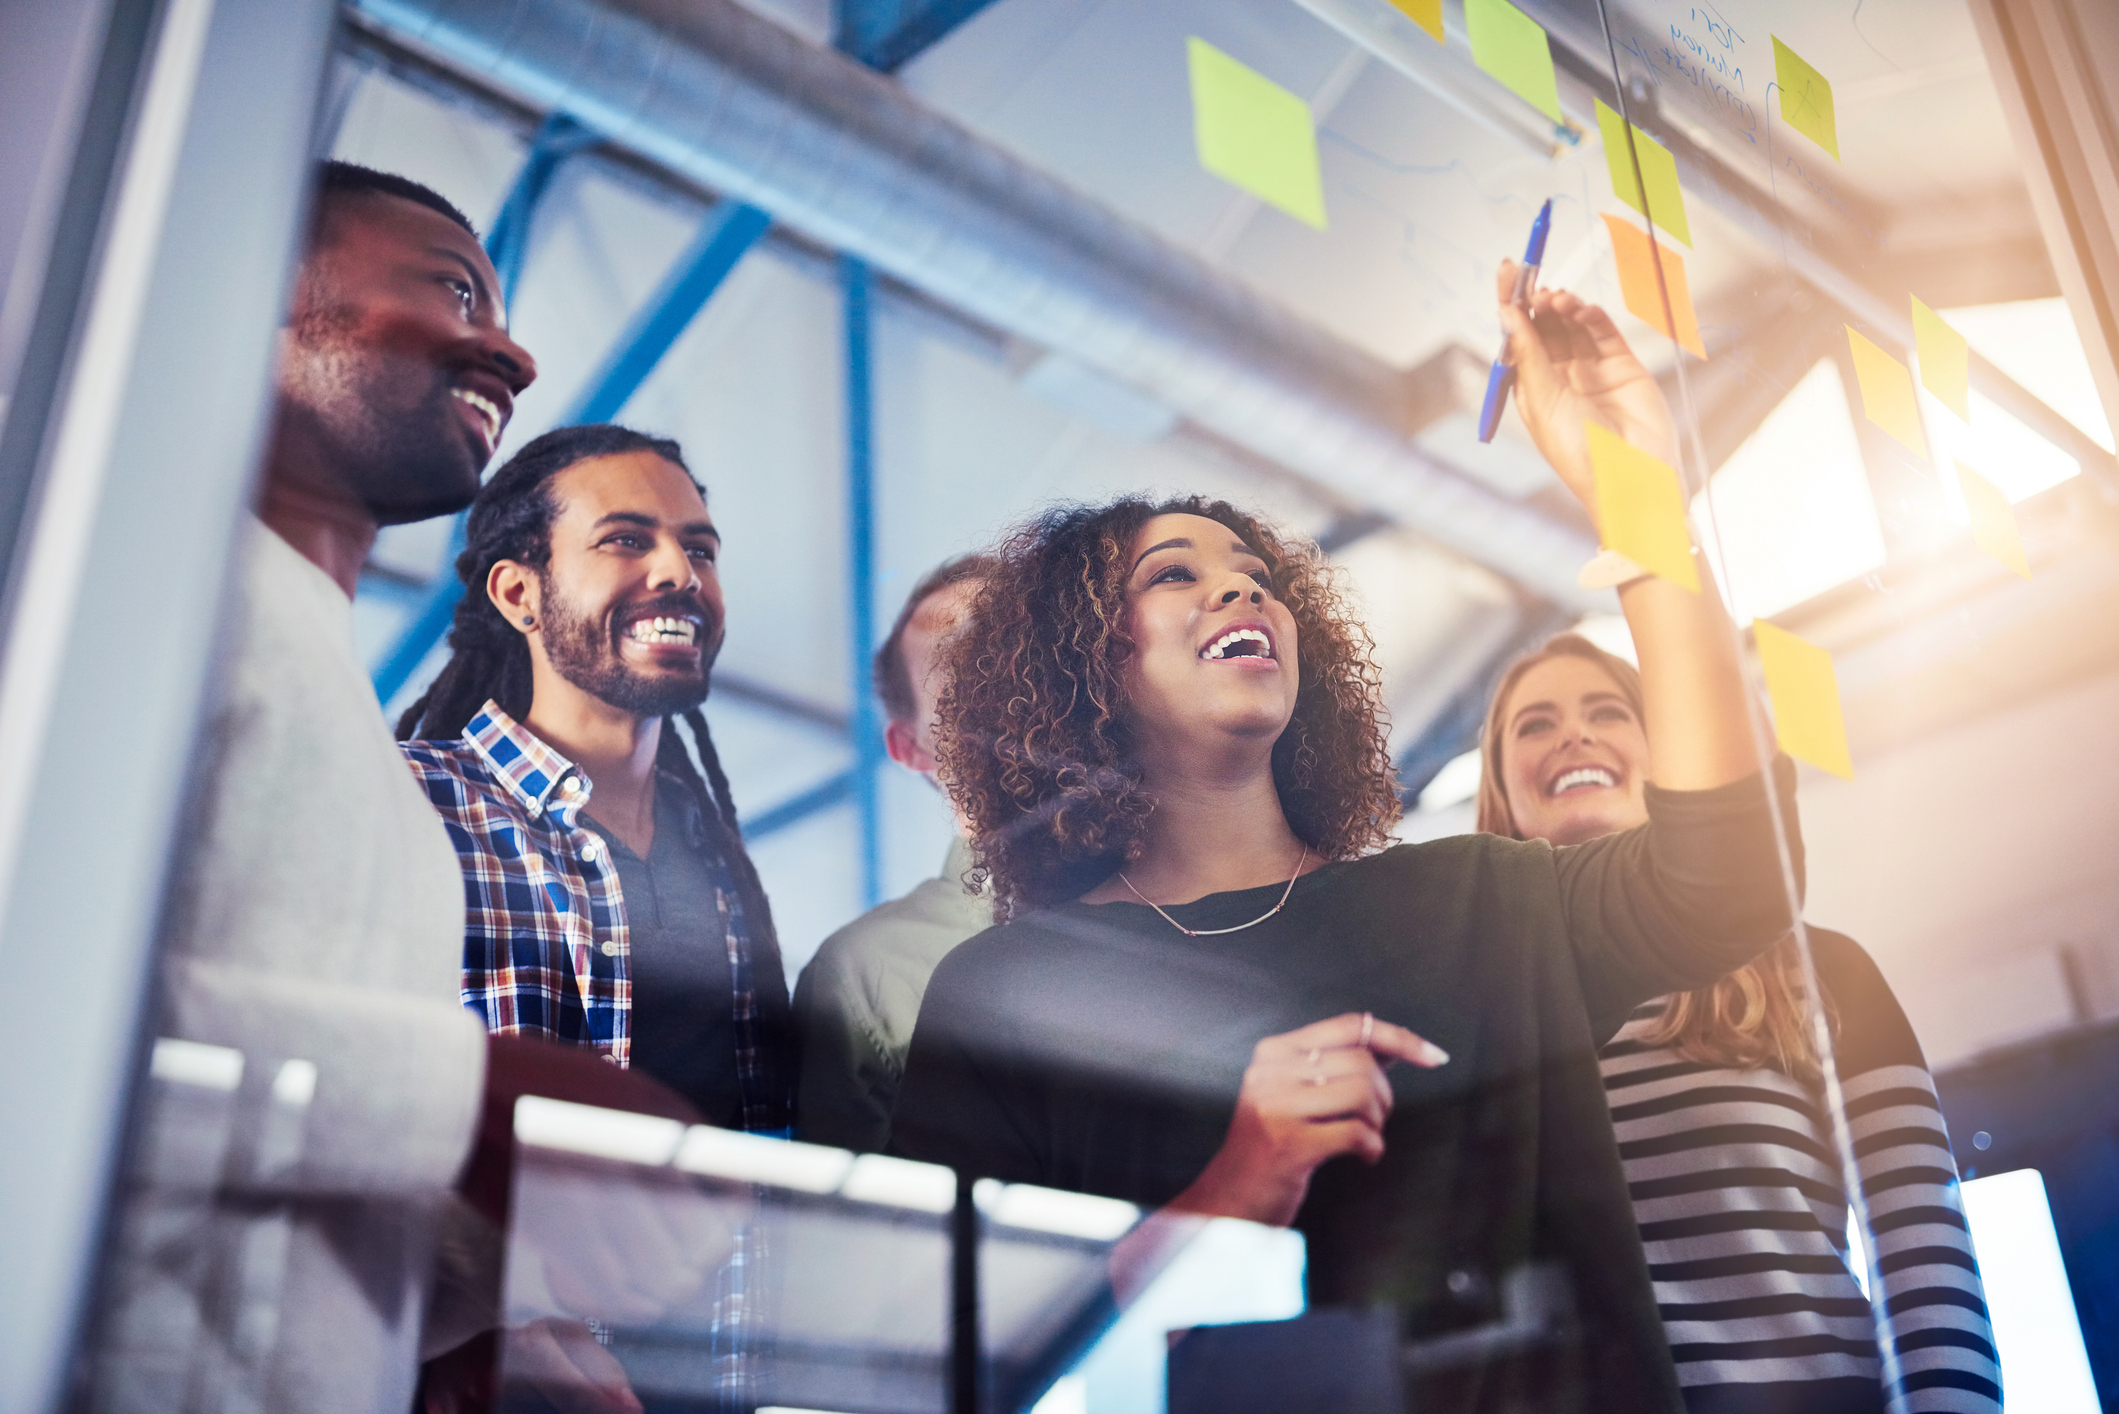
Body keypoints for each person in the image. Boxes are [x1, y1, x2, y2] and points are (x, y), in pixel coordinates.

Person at [889, 267, 1798, 1410]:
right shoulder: (1003, 993)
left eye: (1259, 579)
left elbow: (1732, 876)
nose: (1241, 593)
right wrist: (1234, 1184)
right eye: (1177, 575)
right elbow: (948, 1354)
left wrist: (1643, 505)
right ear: (1081, 667)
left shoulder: (1485, 897)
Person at [90, 161, 537, 1414]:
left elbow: (242, 1225)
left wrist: (467, 1293)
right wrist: (464, 1104)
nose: (512, 355)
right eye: (454, 292)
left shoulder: (366, 749)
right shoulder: (100, 587)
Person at [1476, 632, 2001, 1414]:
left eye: (1607, 712)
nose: (1573, 735)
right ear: (1500, 794)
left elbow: (1921, 1245)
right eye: (1534, 724)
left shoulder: (1821, 970)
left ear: (1668, 757)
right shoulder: (1469, 1011)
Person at [397, 422, 793, 1135]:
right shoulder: (407, 806)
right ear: (519, 593)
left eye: (699, 549)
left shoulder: (721, 862)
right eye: (626, 539)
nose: (680, 572)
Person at [793, 554, 998, 1152]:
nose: (998, 669)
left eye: (1018, 638)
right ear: (909, 747)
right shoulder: (862, 977)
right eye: (955, 659)